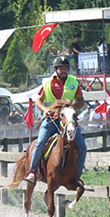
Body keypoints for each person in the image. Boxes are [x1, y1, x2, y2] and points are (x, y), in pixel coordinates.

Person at [23, 56, 87, 190]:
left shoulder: (74, 82)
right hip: (51, 120)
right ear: (55, 69)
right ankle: (32, 171)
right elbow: (38, 101)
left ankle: (77, 176)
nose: (64, 71)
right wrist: (45, 110)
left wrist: (74, 108)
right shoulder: (47, 84)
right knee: (40, 142)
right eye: (61, 68)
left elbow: (81, 101)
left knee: (82, 147)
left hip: (68, 121)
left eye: (66, 68)